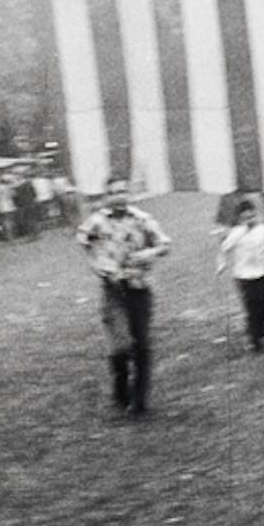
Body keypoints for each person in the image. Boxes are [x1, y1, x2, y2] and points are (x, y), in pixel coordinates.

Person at [77, 175, 170, 415]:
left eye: (122, 192)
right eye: (113, 192)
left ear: (128, 194)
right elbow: (83, 241)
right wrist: (99, 264)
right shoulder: (97, 221)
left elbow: (164, 244)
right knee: (120, 345)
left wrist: (148, 254)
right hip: (113, 291)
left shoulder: (141, 219)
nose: (118, 197)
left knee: (141, 344)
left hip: (139, 288)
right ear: (106, 196)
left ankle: (140, 400)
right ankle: (121, 391)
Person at [216, 197, 264, 352]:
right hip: (244, 276)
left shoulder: (263, 230)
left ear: (257, 215)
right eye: (246, 218)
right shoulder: (236, 234)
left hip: (262, 273)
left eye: (252, 216)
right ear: (240, 219)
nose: (250, 221)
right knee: (252, 308)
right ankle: (255, 342)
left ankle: (258, 328)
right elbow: (224, 249)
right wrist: (221, 264)